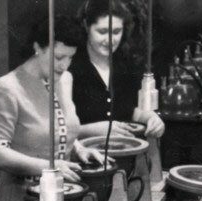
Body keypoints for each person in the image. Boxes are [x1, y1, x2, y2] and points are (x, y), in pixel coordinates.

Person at [0, 14, 97, 201]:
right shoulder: (6, 88)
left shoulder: (65, 80)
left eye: (71, 57)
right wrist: (50, 166)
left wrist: (79, 149)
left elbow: (59, 128)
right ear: (38, 47)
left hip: (65, 198)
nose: (65, 66)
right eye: (59, 57)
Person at [69, 0, 166, 139]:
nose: (110, 40)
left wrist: (151, 118)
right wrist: (92, 130)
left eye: (116, 32)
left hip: (124, 153)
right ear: (86, 26)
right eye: (102, 32)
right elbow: (52, 130)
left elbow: (128, 110)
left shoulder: (126, 65)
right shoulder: (70, 67)